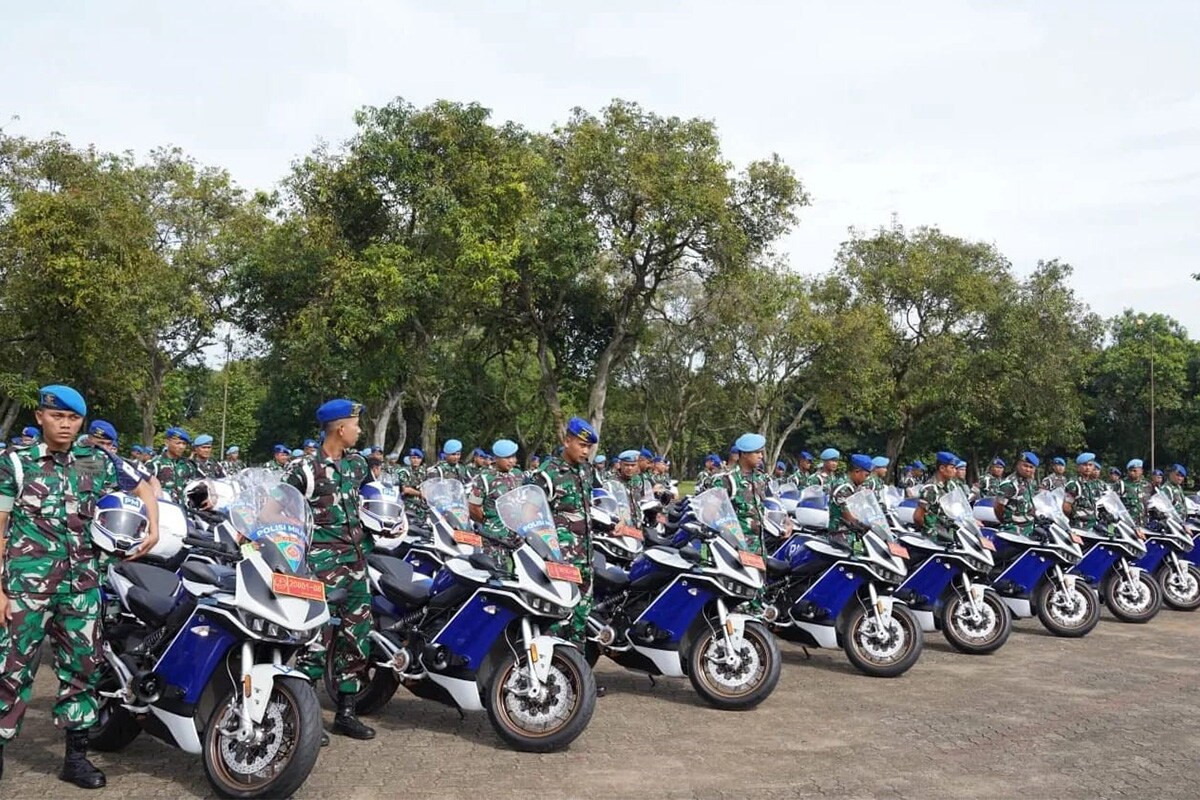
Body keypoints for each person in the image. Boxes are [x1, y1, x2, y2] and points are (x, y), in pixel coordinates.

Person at [0, 385, 159, 788]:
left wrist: (153, 528)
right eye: (57, 416)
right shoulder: (16, 463)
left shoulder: (97, 460)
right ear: (40, 417)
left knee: (83, 670)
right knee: (11, 670)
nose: (65, 424)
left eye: (73, 418)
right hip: (26, 589)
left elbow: (144, 485)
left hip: (83, 587)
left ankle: (76, 759)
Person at [283, 399, 375, 742]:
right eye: (355, 425)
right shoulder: (305, 468)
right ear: (340, 428)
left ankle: (346, 712)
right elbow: (278, 508)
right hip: (320, 565)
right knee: (316, 638)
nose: (359, 431)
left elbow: (374, 500)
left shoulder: (357, 465)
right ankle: (302, 715)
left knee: (357, 636)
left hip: (357, 562)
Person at [529, 417, 598, 645]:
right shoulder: (548, 473)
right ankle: (553, 665)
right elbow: (529, 514)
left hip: (585, 560)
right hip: (561, 562)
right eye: (582, 445)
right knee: (558, 621)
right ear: (567, 441)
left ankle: (577, 665)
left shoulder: (586, 470)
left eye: (589, 447)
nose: (586, 451)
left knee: (580, 622)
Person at [468, 439, 525, 559]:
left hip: (517, 535)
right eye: (507, 457)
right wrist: (489, 522)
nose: (512, 461)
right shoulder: (484, 478)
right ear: (496, 458)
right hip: (494, 538)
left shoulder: (518, 475)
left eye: (513, 456)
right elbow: (473, 507)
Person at [710, 434, 768, 553]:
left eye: (761, 452)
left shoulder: (761, 478)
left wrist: (786, 521)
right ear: (745, 454)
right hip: (737, 550)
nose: (761, 456)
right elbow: (710, 514)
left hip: (759, 549)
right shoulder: (727, 480)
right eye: (757, 452)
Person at [827, 454, 874, 553]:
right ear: (857, 471)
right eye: (866, 475)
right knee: (857, 559)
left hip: (854, 534)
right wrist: (869, 527)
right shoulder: (843, 487)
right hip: (840, 535)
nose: (867, 479)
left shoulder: (855, 486)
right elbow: (848, 517)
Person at [913, 451, 959, 543]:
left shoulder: (951, 486)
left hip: (949, 532)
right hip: (935, 537)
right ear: (942, 468)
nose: (955, 471)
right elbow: (918, 517)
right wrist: (930, 530)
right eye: (952, 468)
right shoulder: (930, 488)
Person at [994, 452, 1040, 536]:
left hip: (1029, 529)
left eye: (1031, 467)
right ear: (1018, 465)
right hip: (1013, 530)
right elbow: (998, 508)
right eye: (1025, 466)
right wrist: (1008, 522)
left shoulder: (1029, 482)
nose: (1028, 469)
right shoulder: (1010, 484)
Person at [150, 427, 195, 504]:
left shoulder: (189, 465)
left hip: (185, 509)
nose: (181, 447)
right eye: (178, 443)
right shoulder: (155, 464)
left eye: (184, 444)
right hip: (163, 507)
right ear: (167, 442)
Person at [1063, 453, 1103, 529]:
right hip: (1079, 527)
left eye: (1090, 465)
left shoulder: (1092, 484)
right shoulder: (1074, 484)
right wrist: (1075, 518)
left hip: (1092, 525)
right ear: (1078, 467)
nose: (1088, 468)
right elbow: (1066, 508)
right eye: (1085, 465)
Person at [1118, 458, 1151, 524]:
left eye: (1134, 470)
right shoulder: (1121, 484)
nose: (1132, 473)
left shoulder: (1147, 485)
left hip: (1144, 523)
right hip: (1129, 523)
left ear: (1141, 471)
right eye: (1130, 470)